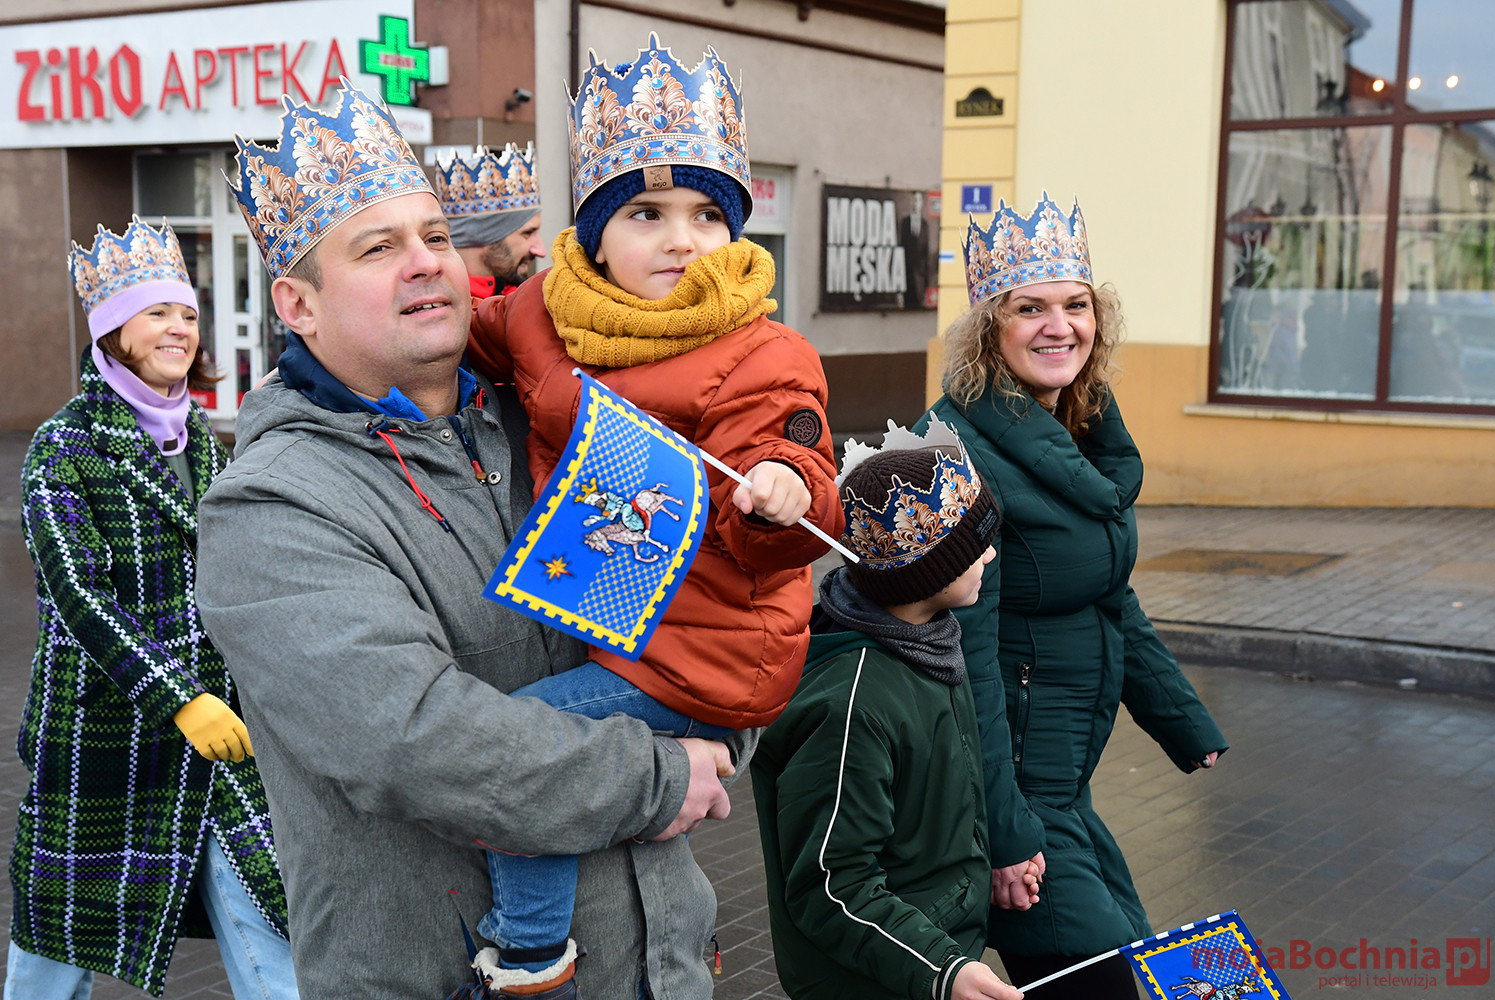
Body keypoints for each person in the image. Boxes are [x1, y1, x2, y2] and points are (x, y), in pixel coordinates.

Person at [194, 82, 743, 1000]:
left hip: (658, 966)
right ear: (297, 304)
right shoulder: (273, 504)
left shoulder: (559, 425)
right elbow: (413, 739)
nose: (425, 263)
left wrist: (720, 731)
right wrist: (660, 777)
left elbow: (697, 621)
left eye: (437, 237)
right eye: (378, 248)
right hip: (450, 978)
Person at [464, 35, 843, 997]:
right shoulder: (546, 312)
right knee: (558, 745)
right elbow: (465, 336)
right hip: (612, 612)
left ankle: (530, 952)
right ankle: (668, 773)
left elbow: (790, 453)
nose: (683, 240)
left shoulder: (762, 352)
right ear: (594, 236)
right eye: (647, 214)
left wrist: (782, 492)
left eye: (708, 214)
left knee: (522, 747)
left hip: (710, 647)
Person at [916, 193, 1228, 998]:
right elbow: (959, 663)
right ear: (989, 329)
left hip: (1064, 784)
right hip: (1010, 796)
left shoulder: (1081, 426)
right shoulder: (955, 451)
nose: (1059, 326)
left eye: (1076, 305)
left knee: (1151, 966)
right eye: (1030, 308)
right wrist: (1005, 834)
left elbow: (1108, 594)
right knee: (1110, 981)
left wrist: (1181, 718)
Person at [6, 218, 297, 999]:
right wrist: (178, 700)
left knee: (266, 913)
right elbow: (77, 596)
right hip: (103, 736)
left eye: (189, 314)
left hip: (216, 737)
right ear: (112, 330)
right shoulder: (62, 446)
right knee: (56, 946)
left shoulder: (200, 437)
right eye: (157, 312)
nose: (179, 328)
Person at [752, 424, 1028, 1000]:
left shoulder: (928, 642)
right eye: (973, 545)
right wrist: (942, 970)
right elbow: (832, 886)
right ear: (926, 570)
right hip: (875, 978)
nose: (990, 553)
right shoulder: (853, 704)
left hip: (920, 953)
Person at [436, 143, 547, 297]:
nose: (541, 250)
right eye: (528, 233)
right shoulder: (437, 305)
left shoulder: (522, 301)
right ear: (482, 234)